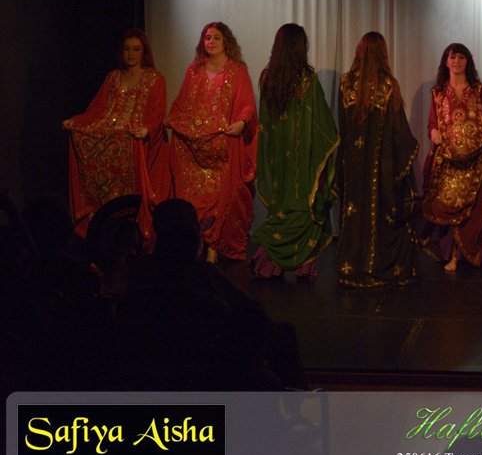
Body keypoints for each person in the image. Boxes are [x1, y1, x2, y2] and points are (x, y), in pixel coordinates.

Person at [250, 24, 339, 279]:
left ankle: (269, 265)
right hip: (303, 161)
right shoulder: (307, 81)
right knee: (305, 208)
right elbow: (323, 127)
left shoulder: (268, 78)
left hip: (278, 161)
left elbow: (266, 127)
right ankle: (303, 267)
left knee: (282, 208)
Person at [63, 28, 169, 239]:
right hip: (112, 132)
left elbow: (158, 112)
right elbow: (98, 108)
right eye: (127, 49)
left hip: (137, 135)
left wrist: (147, 128)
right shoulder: (113, 77)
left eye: (136, 49)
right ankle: (101, 216)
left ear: (144, 51)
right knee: (84, 138)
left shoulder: (154, 78)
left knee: (131, 144)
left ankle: (133, 223)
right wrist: (77, 121)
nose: (131, 54)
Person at [166, 22, 257, 263]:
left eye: (216, 37)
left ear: (226, 41)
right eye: (207, 38)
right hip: (194, 149)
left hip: (223, 146)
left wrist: (241, 122)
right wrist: (173, 119)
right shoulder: (194, 71)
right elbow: (182, 102)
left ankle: (215, 245)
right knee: (194, 198)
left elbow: (247, 104)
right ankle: (198, 242)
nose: (211, 42)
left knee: (222, 196)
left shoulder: (237, 71)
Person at [334, 31, 419, 288]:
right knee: (381, 212)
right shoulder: (388, 85)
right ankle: (378, 264)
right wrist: (409, 151)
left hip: (352, 164)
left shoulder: (346, 83)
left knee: (354, 212)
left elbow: (343, 128)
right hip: (382, 166)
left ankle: (353, 264)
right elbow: (399, 131)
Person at [421, 43, 482, 271]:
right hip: (448, 161)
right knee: (446, 205)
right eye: (452, 57)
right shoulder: (438, 93)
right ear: (446, 62)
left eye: (461, 57)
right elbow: (432, 123)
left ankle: (462, 254)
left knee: (476, 208)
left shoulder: (479, 90)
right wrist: (434, 132)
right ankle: (449, 252)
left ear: (468, 61)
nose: (456, 61)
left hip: (478, 160)